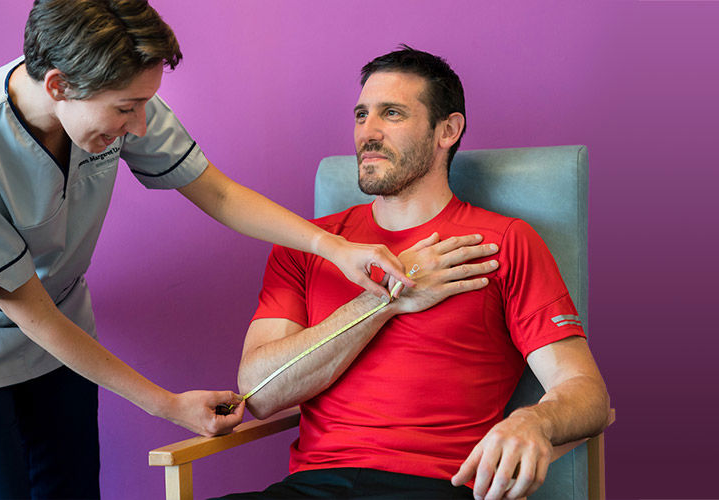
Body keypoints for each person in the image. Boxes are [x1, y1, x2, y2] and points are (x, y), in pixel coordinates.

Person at [0, 1, 411, 498]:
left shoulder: (111, 94)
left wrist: (334, 247)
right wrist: (168, 405)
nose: (139, 125)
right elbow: (30, 311)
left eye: (144, 104)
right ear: (59, 85)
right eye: (127, 109)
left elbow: (218, 192)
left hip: (60, 326)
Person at [222, 47, 611, 500]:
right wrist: (385, 299)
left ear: (448, 130)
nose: (368, 132)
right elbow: (259, 392)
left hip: (435, 486)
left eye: (391, 114)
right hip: (313, 486)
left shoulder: (503, 242)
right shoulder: (311, 244)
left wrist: (534, 420)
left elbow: (586, 392)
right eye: (361, 115)